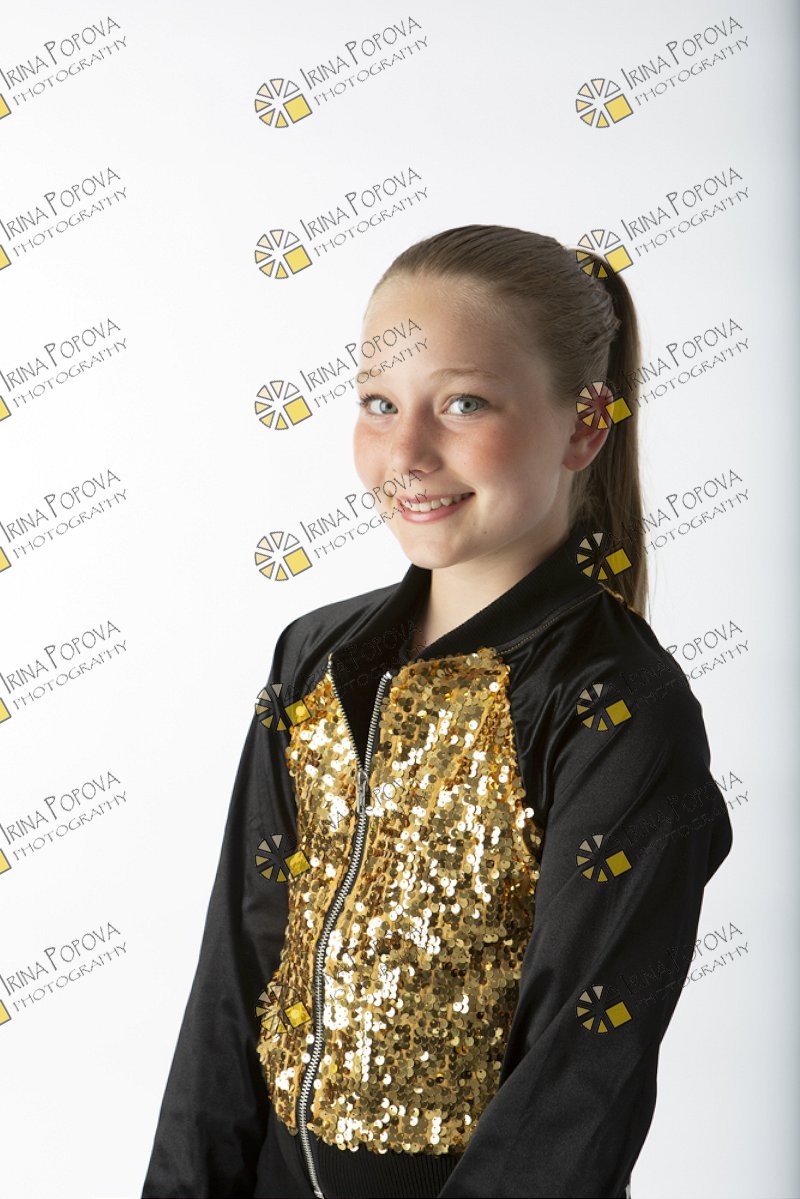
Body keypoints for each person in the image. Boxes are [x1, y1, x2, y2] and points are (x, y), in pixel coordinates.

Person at [141, 225, 733, 1199]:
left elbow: (577, 1082)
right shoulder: (311, 657)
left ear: (585, 424)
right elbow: (235, 972)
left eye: (463, 402)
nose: (407, 452)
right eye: (379, 403)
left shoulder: (615, 707)